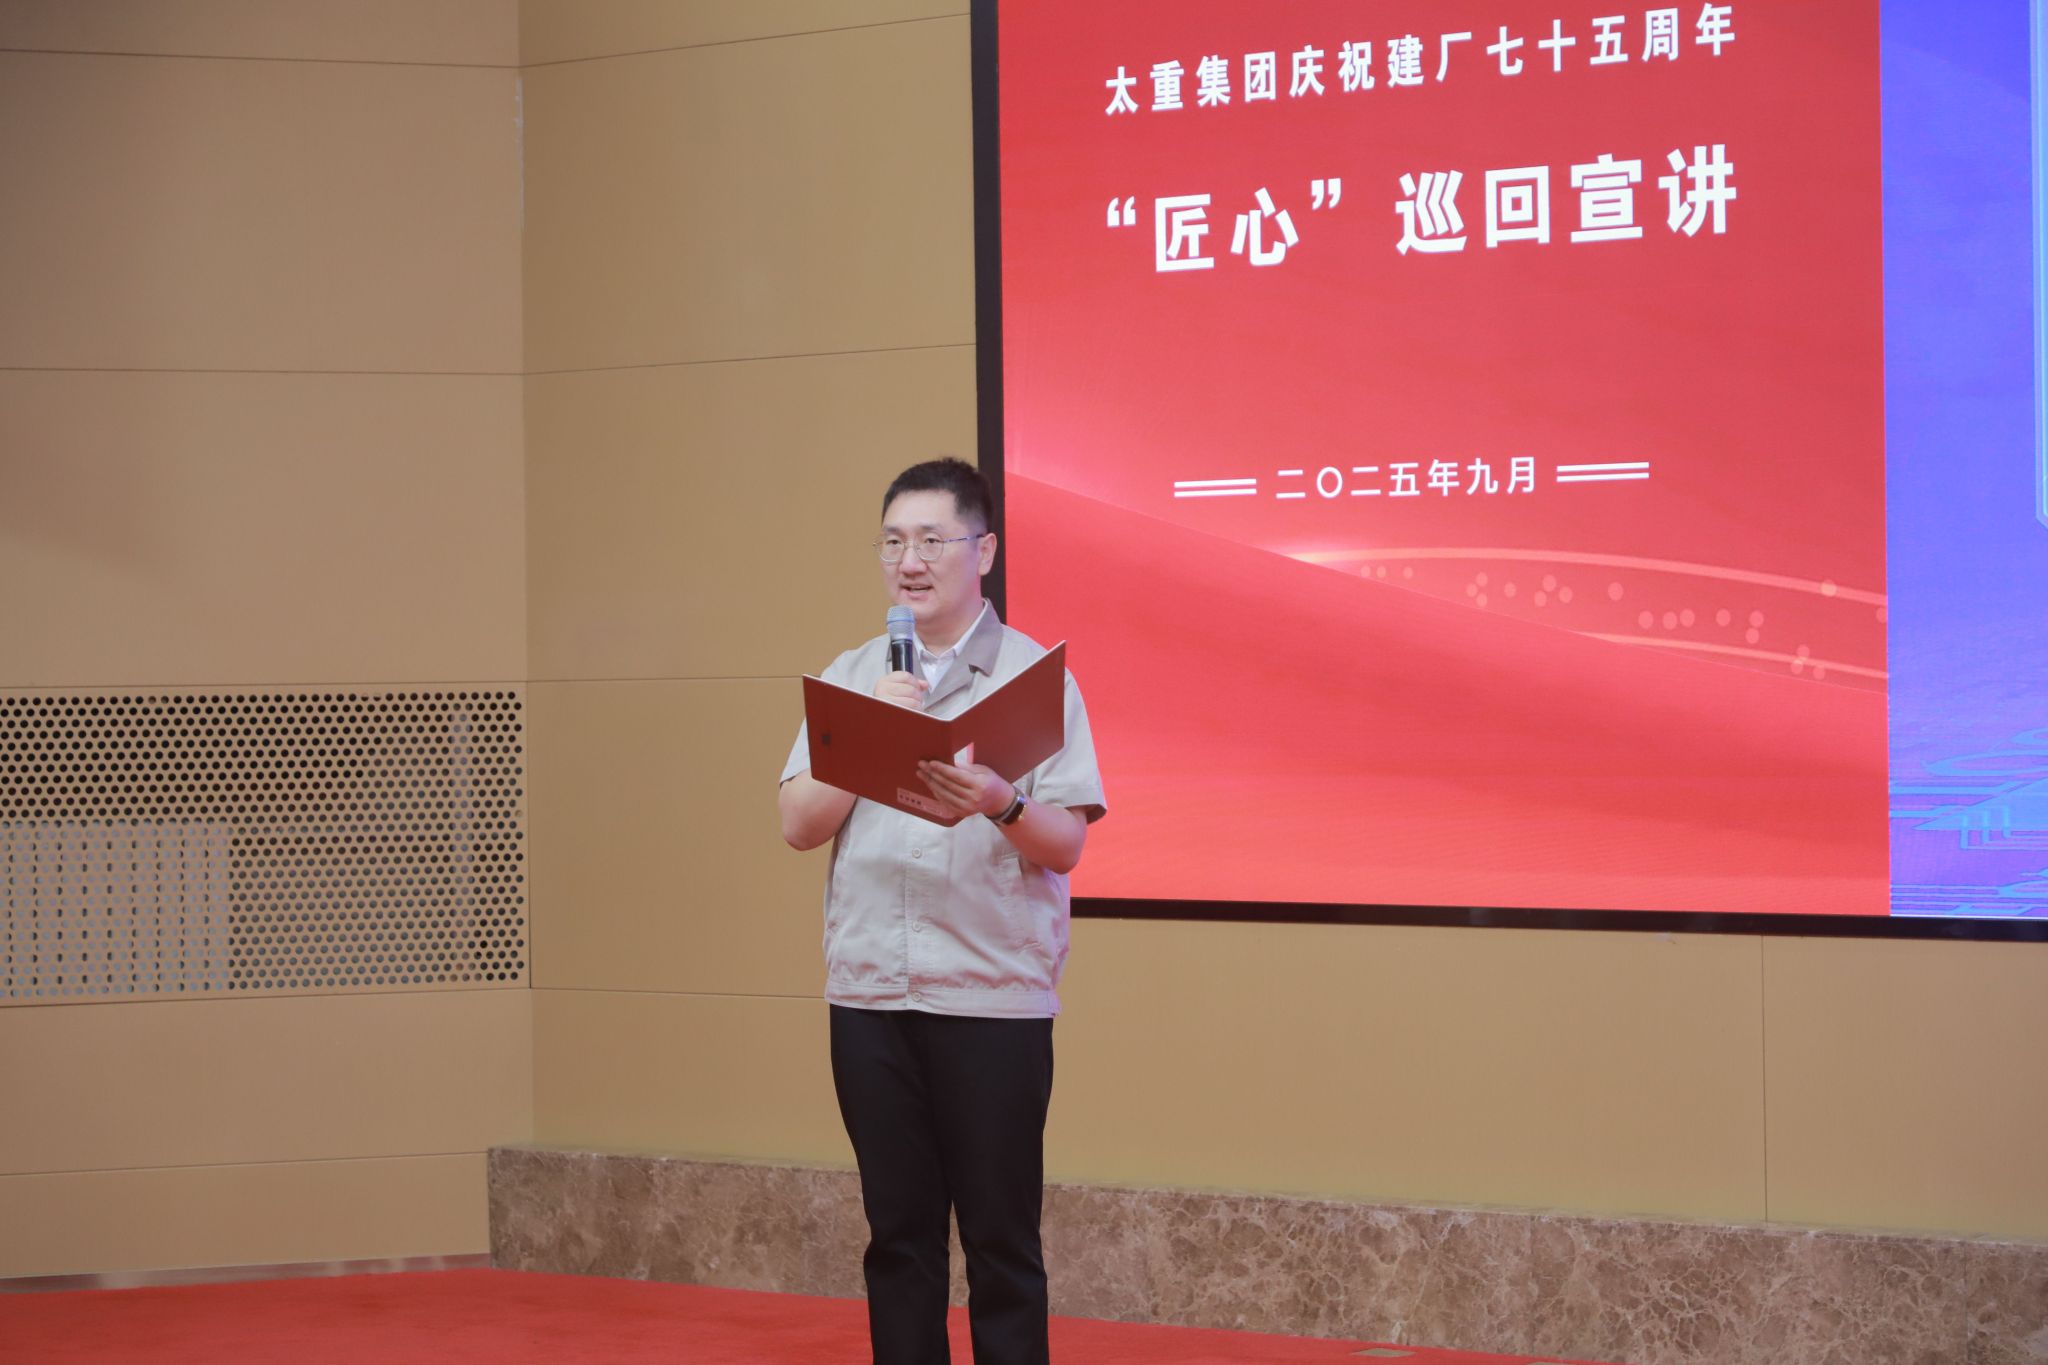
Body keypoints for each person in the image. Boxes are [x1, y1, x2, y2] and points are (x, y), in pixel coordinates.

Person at [778, 457, 1106, 1365]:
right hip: (872, 998)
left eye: (931, 539)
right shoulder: (853, 675)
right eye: (892, 542)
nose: (909, 561)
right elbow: (798, 824)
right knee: (898, 1240)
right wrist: (869, 734)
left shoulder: (1034, 677)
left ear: (983, 550)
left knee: (1002, 1244)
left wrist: (1002, 800)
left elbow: (1066, 844)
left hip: (990, 1000)